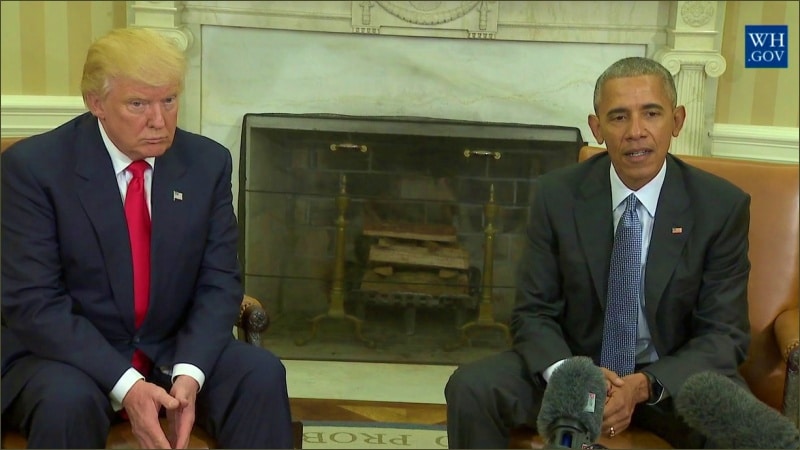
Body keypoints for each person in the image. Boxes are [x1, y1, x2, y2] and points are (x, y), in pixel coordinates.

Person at [1, 28, 293, 448]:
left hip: (172, 348)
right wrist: (127, 384)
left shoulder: (206, 163)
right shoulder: (35, 169)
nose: (159, 120)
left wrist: (191, 371)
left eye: (169, 101)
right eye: (138, 104)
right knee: (67, 400)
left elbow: (219, 282)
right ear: (96, 103)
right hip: (64, 356)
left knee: (260, 374)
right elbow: (34, 303)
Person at [444, 56, 751, 449]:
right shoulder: (557, 195)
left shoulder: (720, 206)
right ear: (597, 127)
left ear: (676, 121)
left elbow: (724, 334)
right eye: (619, 117)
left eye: (651, 114)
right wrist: (574, 375)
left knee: (743, 428)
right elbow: (533, 311)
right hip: (576, 365)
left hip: (670, 380)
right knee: (472, 387)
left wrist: (643, 386)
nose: (636, 132)